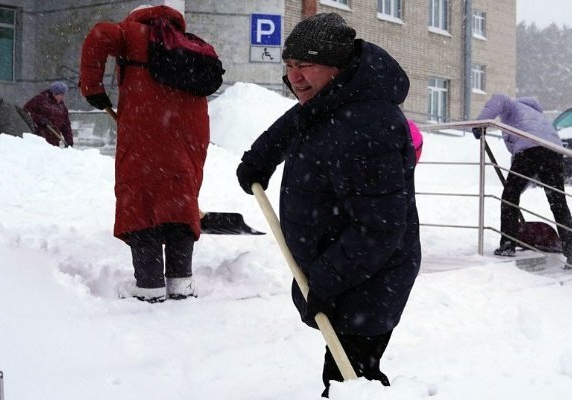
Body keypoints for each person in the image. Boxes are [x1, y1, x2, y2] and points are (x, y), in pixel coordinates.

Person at [235, 13, 420, 398]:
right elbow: (298, 119)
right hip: (345, 270)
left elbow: (380, 227)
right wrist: (261, 157)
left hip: (370, 279)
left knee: (353, 379)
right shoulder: (333, 100)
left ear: (336, 66)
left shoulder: (367, 126)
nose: (294, 78)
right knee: (346, 371)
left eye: (305, 66)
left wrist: (324, 280)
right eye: (289, 66)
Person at [79, 4, 211, 302]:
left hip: (146, 130)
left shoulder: (132, 32)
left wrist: (92, 88)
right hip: (190, 135)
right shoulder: (188, 44)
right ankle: (181, 283)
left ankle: (149, 286)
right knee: (179, 201)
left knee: (140, 199)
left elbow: (99, 35)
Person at [473, 93, 572, 267]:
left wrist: (480, 124)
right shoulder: (538, 116)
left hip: (530, 151)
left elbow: (499, 98)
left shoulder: (514, 107)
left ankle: (508, 244)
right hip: (553, 153)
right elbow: (520, 152)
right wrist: (516, 185)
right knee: (558, 202)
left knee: (509, 197)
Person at [23, 81, 73, 147]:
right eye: (61, 95)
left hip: (54, 141)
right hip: (39, 140)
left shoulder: (62, 107)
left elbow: (66, 126)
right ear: (54, 93)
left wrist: (69, 141)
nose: (63, 97)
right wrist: (39, 119)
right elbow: (26, 111)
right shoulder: (40, 100)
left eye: (64, 95)